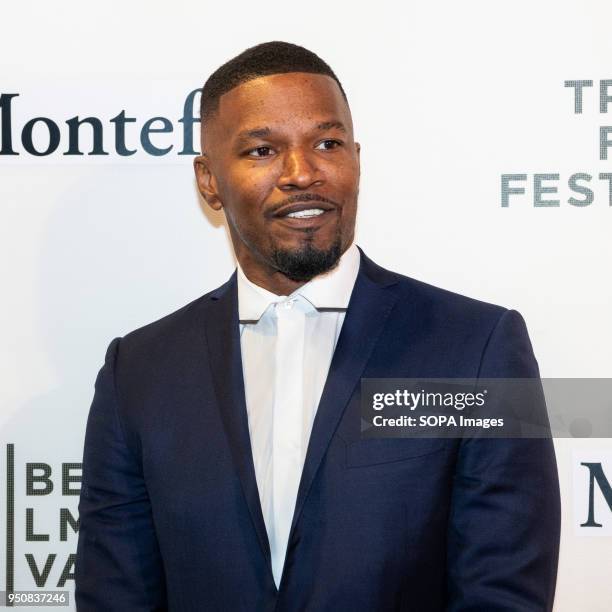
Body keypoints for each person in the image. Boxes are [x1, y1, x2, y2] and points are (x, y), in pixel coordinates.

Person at [75, 41, 561, 611]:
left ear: (356, 158)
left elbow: (502, 596)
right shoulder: (139, 372)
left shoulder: (476, 349)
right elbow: (117, 597)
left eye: (327, 144)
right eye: (261, 150)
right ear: (209, 181)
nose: (303, 173)